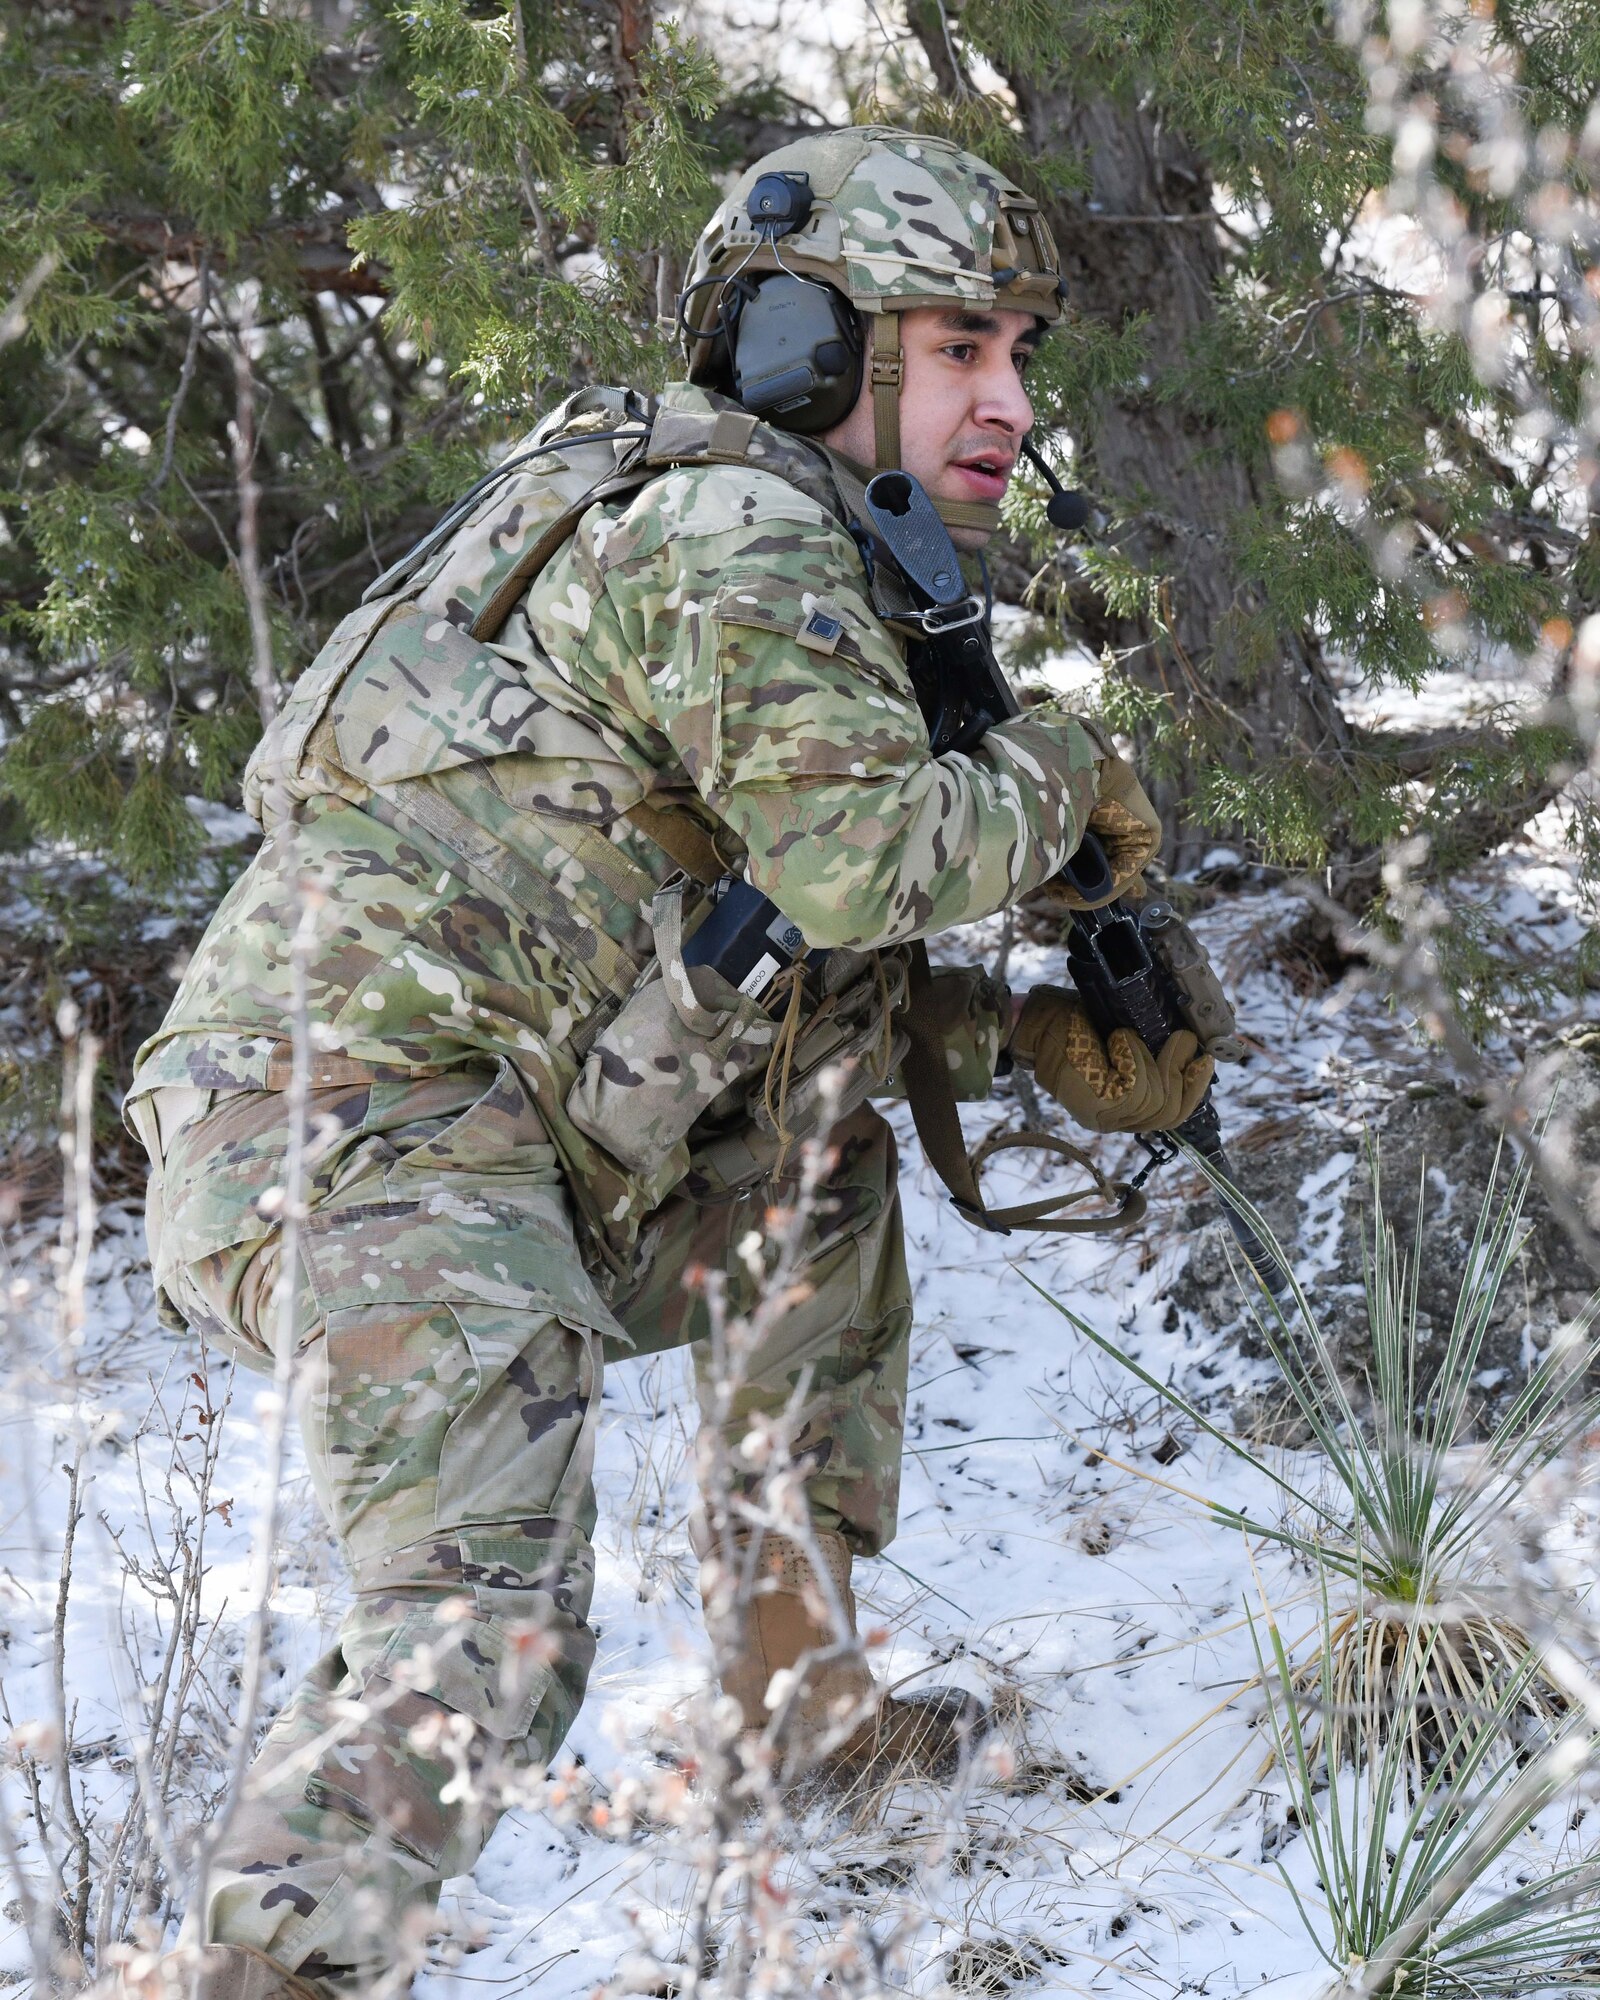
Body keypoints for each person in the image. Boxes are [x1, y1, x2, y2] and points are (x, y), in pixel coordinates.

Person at [111, 126, 1215, 2000]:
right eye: (960, 345)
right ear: (801, 343)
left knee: (826, 1157)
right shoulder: (727, 528)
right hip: (357, 1123)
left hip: (532, 1119)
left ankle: (803, 1700)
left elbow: (792, 957)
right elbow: (865, 857)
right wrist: (1067, 770)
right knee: (489, 1616)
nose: (1012, 400)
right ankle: (273, 1969)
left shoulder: (838, 562)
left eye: (1020, 351)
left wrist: (1017, 1036)